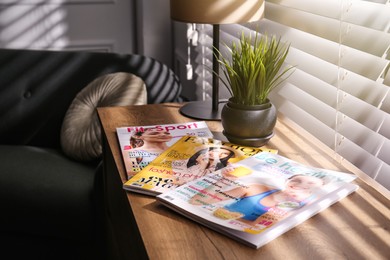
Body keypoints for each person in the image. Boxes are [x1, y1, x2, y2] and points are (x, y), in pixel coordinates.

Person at [191, 174, 325, 227]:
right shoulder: (257, 189)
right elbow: (196, 201)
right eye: (297, 180)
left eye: (310, 185)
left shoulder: (301, 209)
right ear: (287, 181)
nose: (300, 185)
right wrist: (224, 180)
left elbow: (257, 228)